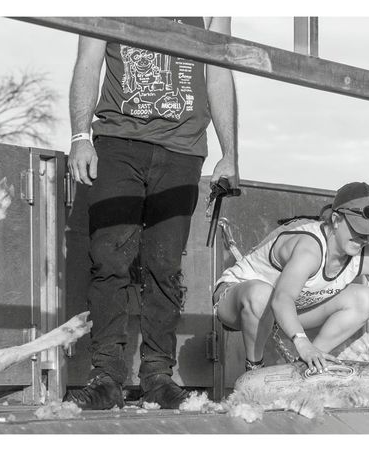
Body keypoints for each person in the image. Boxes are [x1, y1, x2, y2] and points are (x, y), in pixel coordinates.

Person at [64, 17, 239, 410]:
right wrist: (79, 137)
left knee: (164, 266)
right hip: (118, 140)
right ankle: (106, 377)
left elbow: (219, 72)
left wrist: (230, 154)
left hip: (183, 150)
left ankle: (158, 376)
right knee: (109, 258)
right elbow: (88, 62)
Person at [213, 182, 369, 374]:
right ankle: (254, 369)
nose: (363, 239)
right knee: (261, 295)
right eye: (358, 230)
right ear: (336, 220)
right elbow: (282, 299)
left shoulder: (367, 256)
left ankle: (306, 367)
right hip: (238, 302)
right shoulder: (310, 248)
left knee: (365, 299)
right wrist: (302, 341)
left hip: (288, 311)